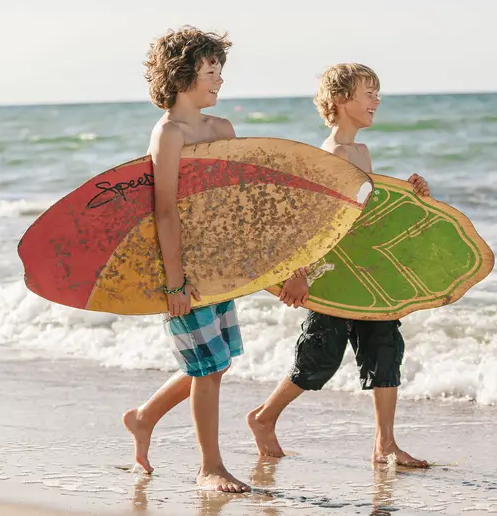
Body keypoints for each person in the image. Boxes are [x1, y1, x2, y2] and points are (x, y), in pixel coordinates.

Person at [247, 63, 431, 468]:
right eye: (369, 93)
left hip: (364, 273)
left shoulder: (361, 151)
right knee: (320, 356)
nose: (376, 102)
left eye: (377, 93)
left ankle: (385, 444)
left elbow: (369, 214)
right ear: (341, 100)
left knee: (385, 349)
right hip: (329, 275)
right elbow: (307, 221)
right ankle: (263, 417)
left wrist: (412, 193)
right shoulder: (329, 156)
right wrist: (295, 274)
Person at [122, 26, 251, 492]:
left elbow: (233, 204)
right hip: (179, 268)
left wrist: (250, 264)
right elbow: (163, 210)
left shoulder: (223, 130)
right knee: (208, 367)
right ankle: (209, 466)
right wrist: (174, 282)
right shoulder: (168, 134)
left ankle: (143, 418)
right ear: (181, 75)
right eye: (211, 71)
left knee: (216, 362)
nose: (219, 80)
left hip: (216, 267)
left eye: (221, 71)